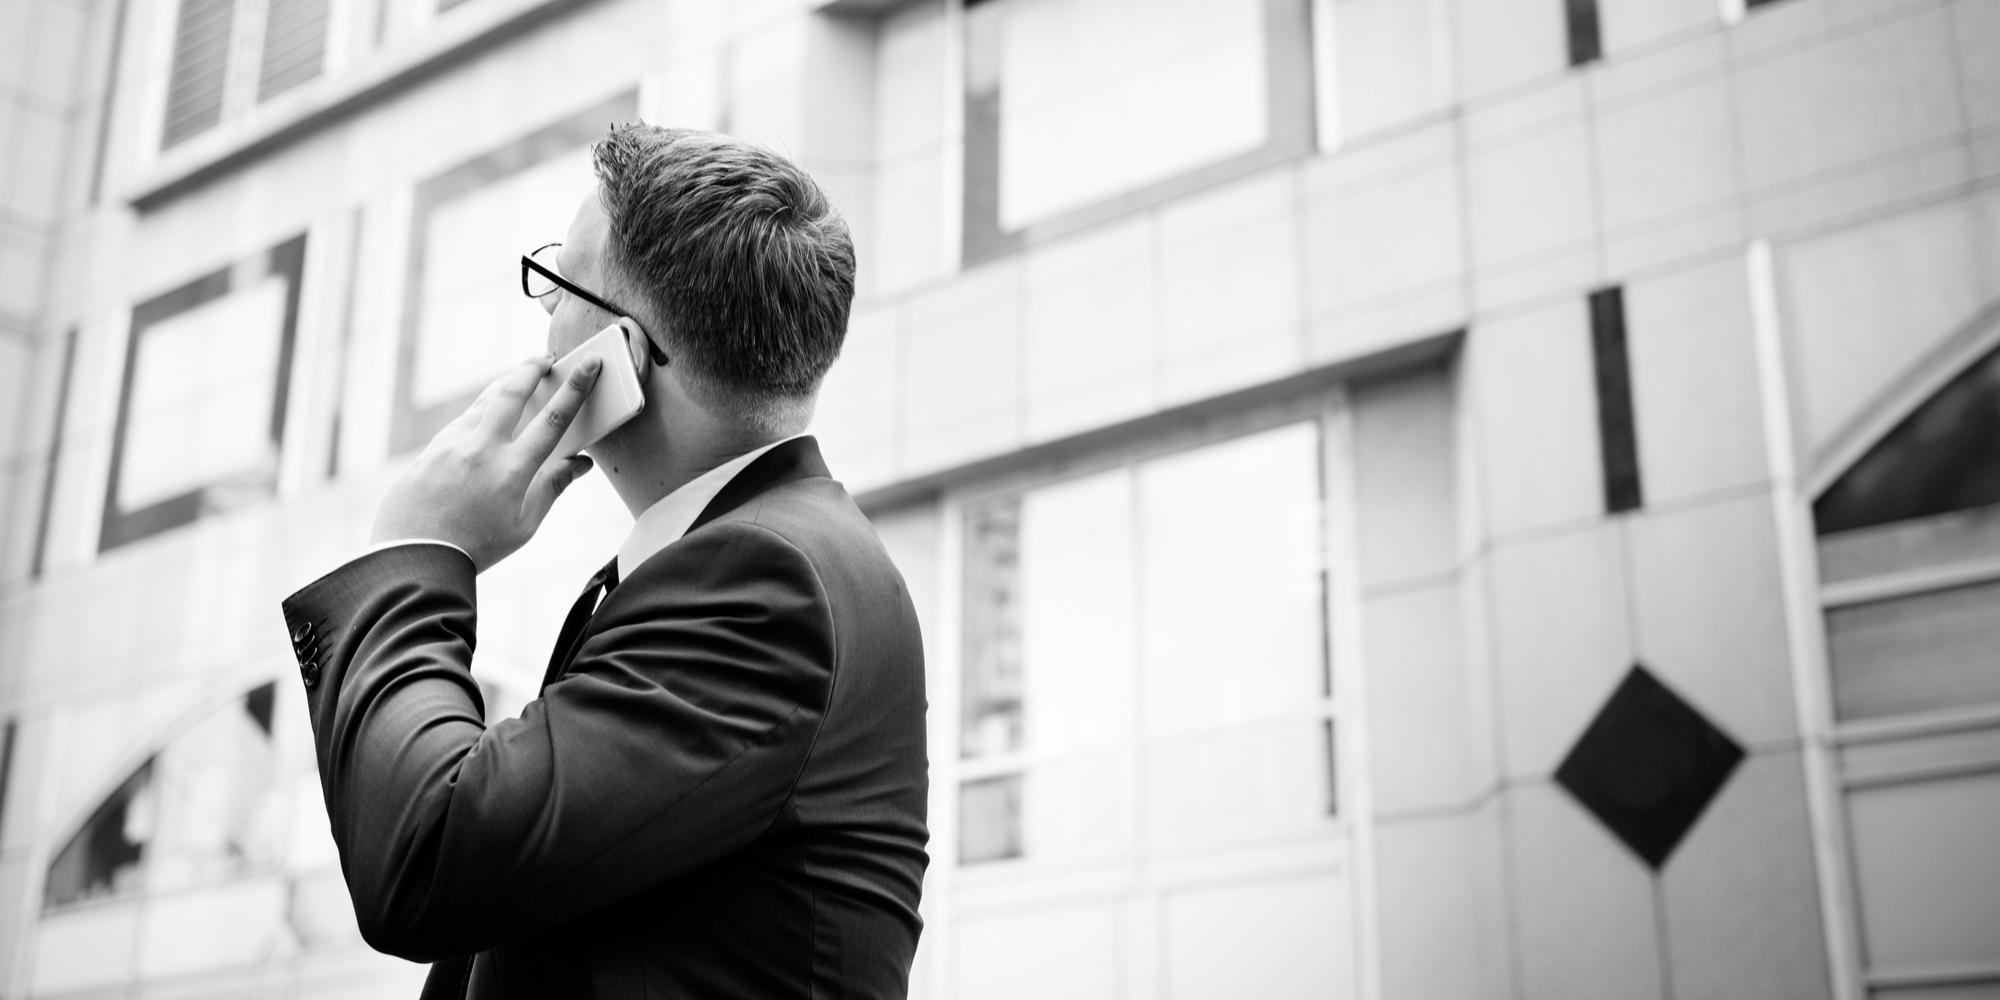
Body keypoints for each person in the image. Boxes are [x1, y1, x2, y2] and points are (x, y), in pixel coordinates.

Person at [278, 125, 929, 999]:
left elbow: (427, 855)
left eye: (556, 283)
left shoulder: (766, 583)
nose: (544, 317)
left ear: (621, 354)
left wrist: (417, 549)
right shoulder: (752, 560)